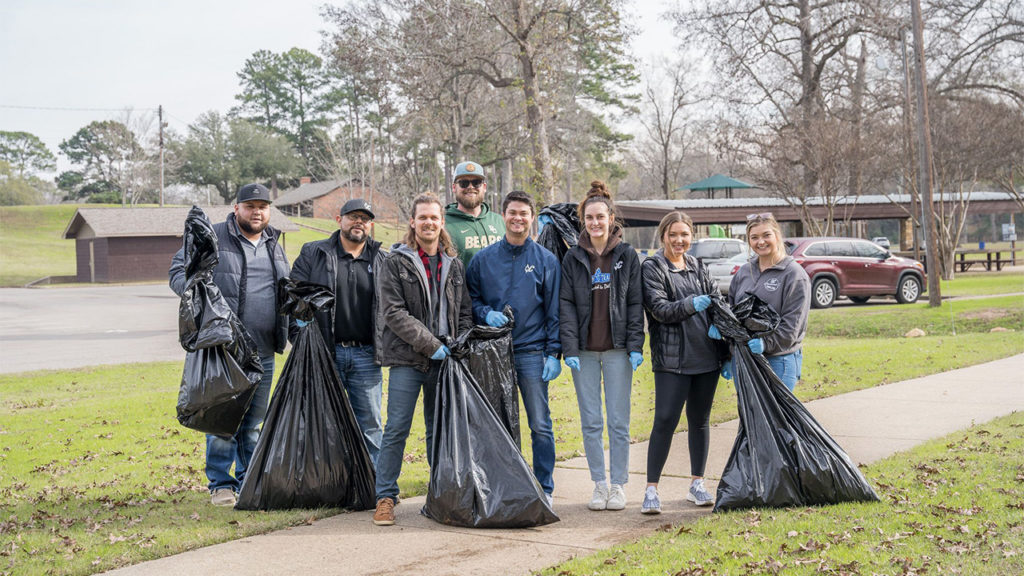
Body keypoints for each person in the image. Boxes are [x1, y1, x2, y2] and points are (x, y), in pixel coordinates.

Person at [169, 183, 290, 507]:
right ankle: (220, 485)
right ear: (236, 208)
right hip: (225, 350)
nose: (257, 211)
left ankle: (249, 480)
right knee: (223, 420)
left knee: (253, 422)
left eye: (263, 206)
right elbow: (179, 271)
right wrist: (195, 293)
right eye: (250, 205)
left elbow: (283, 289)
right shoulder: (215, 236)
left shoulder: (274, 243)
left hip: (263, 349)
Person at [372, 192, 473, 526]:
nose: (429, 223)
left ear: (442, 223)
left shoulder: (454, 265)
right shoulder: (395, 263)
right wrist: (431, 345)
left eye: (434, 217)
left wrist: (458, 344)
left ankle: (438, 493)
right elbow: (394, 313)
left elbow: (464, 313)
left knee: (438, 431)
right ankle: (385, 497)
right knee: (397, 429)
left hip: (445, 363)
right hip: (408, 360)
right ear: (412, 222)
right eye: (423, 217)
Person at [466, 190, 561, 507]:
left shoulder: (546, 261)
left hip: (532, 353)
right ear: (503, 216)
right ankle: (502, 483)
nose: (518, 218)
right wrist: (484, 314)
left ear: (531, 218)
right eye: (512, 212)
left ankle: (544, 487)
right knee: (497, 424)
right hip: (493, 353)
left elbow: (554, 311)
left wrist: (553, 352)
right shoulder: (483, 260)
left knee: (540, 424)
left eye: (524, 213)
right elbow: (472, 301)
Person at [559, 181, 645, 512]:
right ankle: (599, 484)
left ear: (611, 219)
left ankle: (619, 485)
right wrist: (569, 349)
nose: (595, 223)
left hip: (618, 350)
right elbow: (565, 305)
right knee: (591, 420)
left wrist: (635, 344)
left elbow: (636, 303)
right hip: (584, 352)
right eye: (590, 218)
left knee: (618, 421)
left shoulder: (626, 255)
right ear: (584, 220)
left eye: (601, 217)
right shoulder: (573, 257)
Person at [290, 198, 386, 466]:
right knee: (322, 422)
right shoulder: (314, 253)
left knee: (370, 425)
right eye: (353, 216)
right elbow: (291, 299)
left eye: (365, 219)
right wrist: (301, 342)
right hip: (325, 354)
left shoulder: (381, 259)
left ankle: (376, 485)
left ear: (371, 225)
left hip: (367, 357)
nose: (359, 222)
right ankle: (328, 483)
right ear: (339, 220)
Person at [639, 211, 723, 514]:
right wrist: (691, 304)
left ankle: (697, 484)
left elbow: (717, 303)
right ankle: (651, 490)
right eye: (673, 234)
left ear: (692, 236)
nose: (679, 240)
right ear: (663, 235)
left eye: (684, 235)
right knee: (664, 421)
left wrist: (722, 343)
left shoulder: (699, 267)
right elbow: (660, 309)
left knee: (699, 421)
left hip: (706, 357)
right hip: (672, 360)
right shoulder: (652, 267)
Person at [712, 212, 811, 391]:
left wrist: (767, 343)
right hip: (744, 359)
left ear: (777, 236)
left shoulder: (794, 274)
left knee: (777, 417)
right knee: (749, 415)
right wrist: (727, 351)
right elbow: (732, 315)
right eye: (754, 237)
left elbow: (793, 325)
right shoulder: (743, 273)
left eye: (766, 235)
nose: (761, 241)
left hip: (779, 360)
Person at [445, 160, 505, 267]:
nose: (471, 187)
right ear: (454, 187)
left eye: (476, 183)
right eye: (464, 183)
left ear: (484, 187)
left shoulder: (499, 221)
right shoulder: (443, 224)